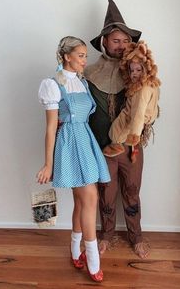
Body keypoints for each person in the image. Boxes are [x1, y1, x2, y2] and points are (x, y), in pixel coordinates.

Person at [37, 36, 110, 282]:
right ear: (67, 56)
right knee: (90, 198)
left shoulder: (83, 83)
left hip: (85, 140)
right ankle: (92, 259)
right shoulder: (52, 84)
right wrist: (48, 164)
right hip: (68, 144)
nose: (84, 60)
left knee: (82, 201)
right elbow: (50, 128)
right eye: (80, 55)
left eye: (85, 56)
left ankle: (74, 251)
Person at [84, 0, 149, 259]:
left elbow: (148, 103)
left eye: (125, 40)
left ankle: (137, 237)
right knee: (106, 194)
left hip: (131, 146)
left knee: (132, 192)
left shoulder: (138, 70)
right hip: (101, 147)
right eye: (116, 40)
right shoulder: (88, 72)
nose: (121, 46)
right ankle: (107, 235)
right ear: (105, 42)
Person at [103, 40, 161, 163]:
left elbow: (138, 112)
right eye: (132, 70)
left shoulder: (142, 89)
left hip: (134, 119)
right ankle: (133, 149)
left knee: (116, 130)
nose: (134, 74)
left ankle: (116, 144)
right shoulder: (151, 84)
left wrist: (135, 135)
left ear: (145, 69)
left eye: (138, 70)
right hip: (144, 118)